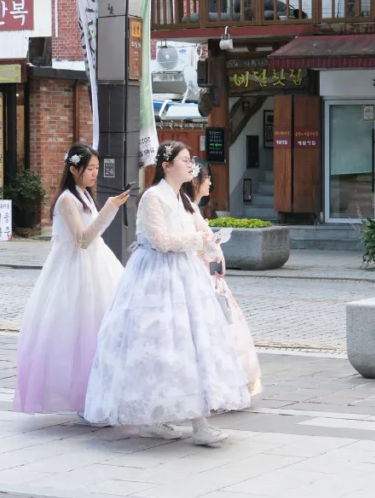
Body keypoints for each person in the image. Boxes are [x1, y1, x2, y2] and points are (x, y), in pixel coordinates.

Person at [83, 141, 250, 447]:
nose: (191, 166)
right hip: (156, 278)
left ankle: (180, 420)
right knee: (162, 345)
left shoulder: (183, 199)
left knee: (189, 344)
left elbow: (203, 232)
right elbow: (160, 241)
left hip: (185, 275)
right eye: (185, 160)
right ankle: (185, 423)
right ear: (166, 165)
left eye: (190, 161)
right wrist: (198, 240)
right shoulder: (153, 197)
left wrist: (214, 249)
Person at [13, 144, 130, 415]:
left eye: (96, 169)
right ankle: (81, 397)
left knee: (99, 326)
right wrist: (110, 209)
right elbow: (82, 240)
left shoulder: (84, 195)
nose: (95, 174)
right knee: (78, 331)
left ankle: (96, 394)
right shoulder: (67, 200)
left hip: (96, 264)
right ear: (74, 169)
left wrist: (108, 208)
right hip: (75, 270)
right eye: (90, 169)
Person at [183, 158, 262, 397]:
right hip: (197, 273)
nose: (210, 184)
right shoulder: (187, 207)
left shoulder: (191, 206)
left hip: (204, 270)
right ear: (195, 180)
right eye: (207, 179)